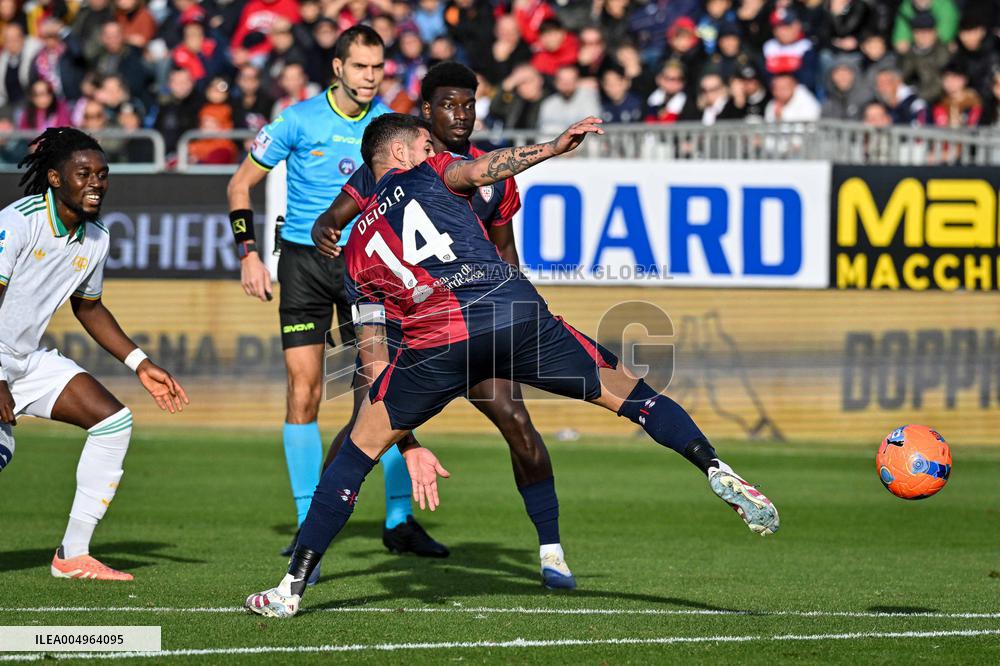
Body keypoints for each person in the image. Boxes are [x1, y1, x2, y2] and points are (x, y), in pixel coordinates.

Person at [244, 113, 779, 617]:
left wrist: (404, 439)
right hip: (513, 312)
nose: (435, 149)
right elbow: (485, 168)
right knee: (634, 395)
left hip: (437, 345)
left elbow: (373, 354)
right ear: (401, 153)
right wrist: (554, 147)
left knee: (354, 454)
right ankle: (713, 465)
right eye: (426, 145)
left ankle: (291, 588)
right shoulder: (432, 171)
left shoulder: (356, 247)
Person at [311, 61, 577, 589]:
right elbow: (333, 218)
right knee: (361, 430)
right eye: (449, 105)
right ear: (426, 112)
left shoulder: (492, 174)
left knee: (515, 420)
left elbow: (505, 251)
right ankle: (311, 547)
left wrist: (520, 312)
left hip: (473, 320)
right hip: (399, 323)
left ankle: (551, 551)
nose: (461, 114)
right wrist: (325, 231)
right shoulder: (396, 163)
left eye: (469, 104)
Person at [225, 26, 448, 579]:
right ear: (338, 67)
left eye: (378, 67)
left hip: (369, 266)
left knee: (383, 390)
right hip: (303, 265)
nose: (371, 77)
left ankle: (399, 520)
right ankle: (308, 523)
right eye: (361, 66)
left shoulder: (392, 127)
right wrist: (248, 254)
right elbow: (239, 184)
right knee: (303, 390)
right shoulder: (297, 120)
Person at [0, 127, 189, 580]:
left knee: (113, 421)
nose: (95, 183)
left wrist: (141, 363)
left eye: (102, 174)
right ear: (54, 178)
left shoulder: (96, 237)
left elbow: (88, 307)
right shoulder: (18, 222)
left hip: (24, 361)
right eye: (83, 173)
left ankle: (73, 555)